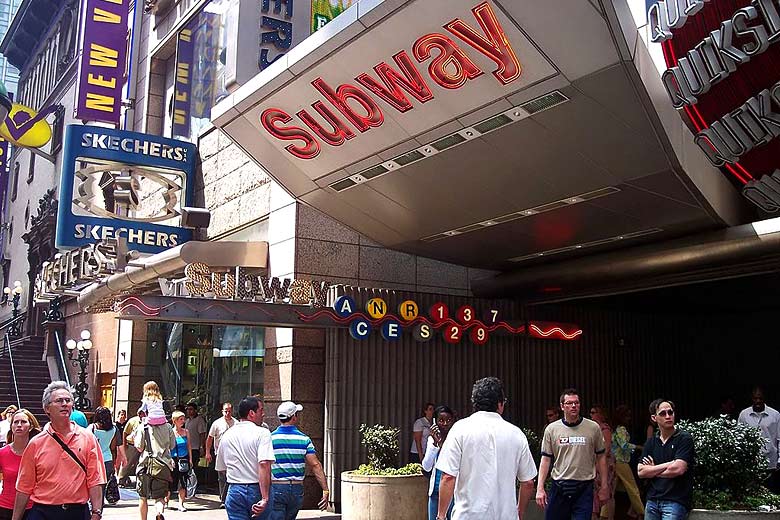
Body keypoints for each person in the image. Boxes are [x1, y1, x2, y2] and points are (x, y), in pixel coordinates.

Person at [436, 377, 537, 520]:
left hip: (468, 516)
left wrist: (441, 516)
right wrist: (519, 513)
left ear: (474, 403)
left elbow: (447, 477)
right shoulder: (516, 434)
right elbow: (528, 482)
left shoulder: (460, 430)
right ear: (500, 404)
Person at [12, 381, 106, 520]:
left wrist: (97, 512)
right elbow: (24, 486)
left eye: (68, 400)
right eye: (59, 401)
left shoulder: (88, 438)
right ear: (47, 408)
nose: (64, 404)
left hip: (77, 512)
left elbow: (95, 479)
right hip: (43, 512)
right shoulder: (36, 444)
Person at [536, 388, 609, 520]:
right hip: (559, 486)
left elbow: (601, 457)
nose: (574, 406)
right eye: (569, 403)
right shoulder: (552, 429)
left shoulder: (593, 428)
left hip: (584, 487)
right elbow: (545, 459)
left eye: (577, 402)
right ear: (562, 406)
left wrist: (604, 486)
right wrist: (540, 488)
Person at [216, 397, 275, 520]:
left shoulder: (227, 435)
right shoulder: (262, 433)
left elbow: (221, 467)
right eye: (261, 410)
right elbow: (264, 464)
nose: (263, 414)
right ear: (251, 413)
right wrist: (265, 498)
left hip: (234, 489)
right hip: (257, 489)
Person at [269, 401, 329, 519]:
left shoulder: (270, 439)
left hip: (277, 486)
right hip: (297, 488)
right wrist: (325, 489)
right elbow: (315, 465)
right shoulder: (304, 439)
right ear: (294, 417)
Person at [638, 399, 694, 520]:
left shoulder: (684, 438)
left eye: (670, 412)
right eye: (663, 413)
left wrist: (652, 471)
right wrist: (669, 463)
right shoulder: (651, 442)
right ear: (654, 418)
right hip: (652, 500)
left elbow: (678, 469)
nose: (668, 416)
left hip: (675, 501)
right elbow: (641, 472)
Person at [133, 406, 176, 520]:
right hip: (163, 465)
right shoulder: (168, 427)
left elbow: (139, 447)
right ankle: (159, 512)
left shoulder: (144, 426)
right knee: (160, 497)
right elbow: (172, 445)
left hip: (145, 465)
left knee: (143, 497)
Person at [737, 386, 780, 493]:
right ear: (752, 398)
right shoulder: (744, 414)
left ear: (764, 399)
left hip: (770, 462)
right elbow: (738, 439)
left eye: (760, 398)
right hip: (750, 462)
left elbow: (779, 438)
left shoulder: (775, 415)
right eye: (755, 398)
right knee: (750, 493)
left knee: (769, 493)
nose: (758, 401)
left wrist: (779, 460)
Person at [0, 409, 41, 520]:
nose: (19, 425)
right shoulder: (2, 453)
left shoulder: (38, 453)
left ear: (31, 426)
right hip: (5, 507)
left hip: (33, 508)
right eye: (15, 422)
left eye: (23, 422)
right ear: (11, 426)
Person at [421, 405, 456, 520]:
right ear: (435, 422)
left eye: (448, 420)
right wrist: (435, 445)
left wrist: (441, 444)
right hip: (435, 492)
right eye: (441, 420)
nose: (445, 423)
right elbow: (426, 467)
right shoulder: (432, 440)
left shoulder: (456, 440)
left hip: (452, 493)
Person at [611, 405, 644, 518]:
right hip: (621, 461)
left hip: (614, 461)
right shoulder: (621, 429)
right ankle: (641, 512)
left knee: (612, 489)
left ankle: (604, 514)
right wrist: (639, 447)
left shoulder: (614, 428)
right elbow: (624, 445)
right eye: (627, 416)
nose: (629, 418)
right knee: (632, 487)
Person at [206, 402, 236, 508]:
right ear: (222, 411)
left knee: (230, 476)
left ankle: (227, 498)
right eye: (225, 411)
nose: (227, 413)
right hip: (219, 454)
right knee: (222, 477)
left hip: (232, 454)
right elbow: (209, 438)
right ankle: (223, 499)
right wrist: (207, 452)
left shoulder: (236, 423)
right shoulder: (217, 423)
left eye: (229, 411)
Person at [89, 407, 119, 505]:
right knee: (103, 484)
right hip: (108, 459)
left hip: (95, 459)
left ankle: (96, 504)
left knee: (94, 484)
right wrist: (114, 463)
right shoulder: (114, 429)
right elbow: (113, 447)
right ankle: (100, 504)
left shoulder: (92, 428)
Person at [589, 405, 615, 520]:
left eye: (594, 412)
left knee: (607, 492)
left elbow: (607, 448)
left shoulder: (605, 428)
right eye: (591, 413)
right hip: (594, 464)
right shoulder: (592, 428)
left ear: (600, 414)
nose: (591, 415)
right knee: (594, 492)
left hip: (604, 463)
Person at [170, 411, 193, 512]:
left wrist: (190, 459)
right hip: (173, 459)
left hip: (184, 459)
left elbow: (189, 446)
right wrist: (170, 459)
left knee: (183, 482)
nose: (183, 421)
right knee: (170, 481)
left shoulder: (186, 432)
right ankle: (166, 499)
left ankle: (181, 504)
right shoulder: (170, 432)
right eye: (180, 419)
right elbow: (167, 447)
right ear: (174, 421)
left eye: (183, 419)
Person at [118, 408, 145, 488]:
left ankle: (139, 482)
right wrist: (124, 444)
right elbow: (125, 432)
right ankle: (121, 480)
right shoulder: (132, 421)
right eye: (141, 413)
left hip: (143, 446)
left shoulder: (147, 421)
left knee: (140, 464)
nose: (143, 415)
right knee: (127, 463)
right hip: (132, 446)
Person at [184, 403, 206, 469]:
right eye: (187, 409)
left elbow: (202, 433)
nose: (189, 411)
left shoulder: (199, 420)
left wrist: (202, 446)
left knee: (195, 467)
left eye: (191, 409)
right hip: (187, 448)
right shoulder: (187, 421)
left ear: (195, 410)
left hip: (195, 448)